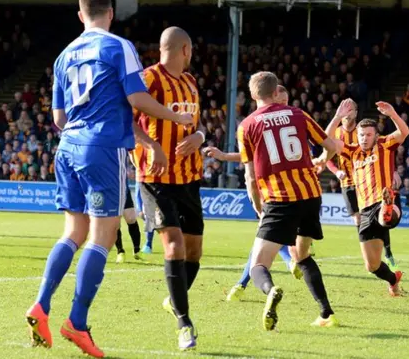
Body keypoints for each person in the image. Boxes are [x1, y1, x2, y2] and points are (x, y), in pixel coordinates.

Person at [24, 0, 191, 357]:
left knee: (73, 232)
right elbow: (137, 97)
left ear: (81, 14)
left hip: (67, 147)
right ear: (111, 13)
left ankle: (41, 304)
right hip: (102, 147)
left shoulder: (64, 54)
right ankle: (77, 323)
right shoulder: (118, 46)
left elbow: (58, 117)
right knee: (102, 236)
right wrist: (176, 120)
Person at [238, 71, 348, 330]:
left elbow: (250, 177)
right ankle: (326, 313)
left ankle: (270, 289)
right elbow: (331, 145)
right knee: (301, 255)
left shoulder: (247, 125)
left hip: (280, 199)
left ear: (254, 95)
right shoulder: (299, 114)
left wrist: (256, 203)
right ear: (276, 91)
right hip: (310, 196)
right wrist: (321, 159)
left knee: (258, 264)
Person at [134, 26, 206, 351]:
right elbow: (126, 117)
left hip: (190, 178)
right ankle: (184, 323)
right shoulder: (149, 79)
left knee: (194, 252)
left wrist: (199, 138)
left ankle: (174, 301)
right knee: (174, 247)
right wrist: (151, 145)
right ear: (185, 50)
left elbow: (196, 125)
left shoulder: (191, 83)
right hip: (157, 178)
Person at [203, 85, 305, 302]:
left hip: (274, 191)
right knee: (266, 238)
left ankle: (247, 282)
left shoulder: (278, 123)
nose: (282, 107)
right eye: (280, 101)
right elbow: (246, 156)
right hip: (277, 190)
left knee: (265, 238)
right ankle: (249, 280)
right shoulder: (271, 125)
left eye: (285, 103)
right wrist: (223, 156)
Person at [320, 101, 407, 296]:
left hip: (383, 199)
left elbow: (404, 132)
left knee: (386, 218)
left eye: (368, 135)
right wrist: (336, 117)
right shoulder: (352, 152)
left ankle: (388, 207)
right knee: (372, 265)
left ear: (376, 136)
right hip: (365, 209)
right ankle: (393, 280)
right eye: (361, 135)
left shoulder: (385, 144)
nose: (364, 138)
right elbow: (326, 139)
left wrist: (392, 113)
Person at [115, 168, 146, 263]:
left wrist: (128, 170)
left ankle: (137, 250)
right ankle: (120, 251)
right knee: (115, 223)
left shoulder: (122, 154)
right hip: (110, 191)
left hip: (124, 190)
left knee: (131, 218)